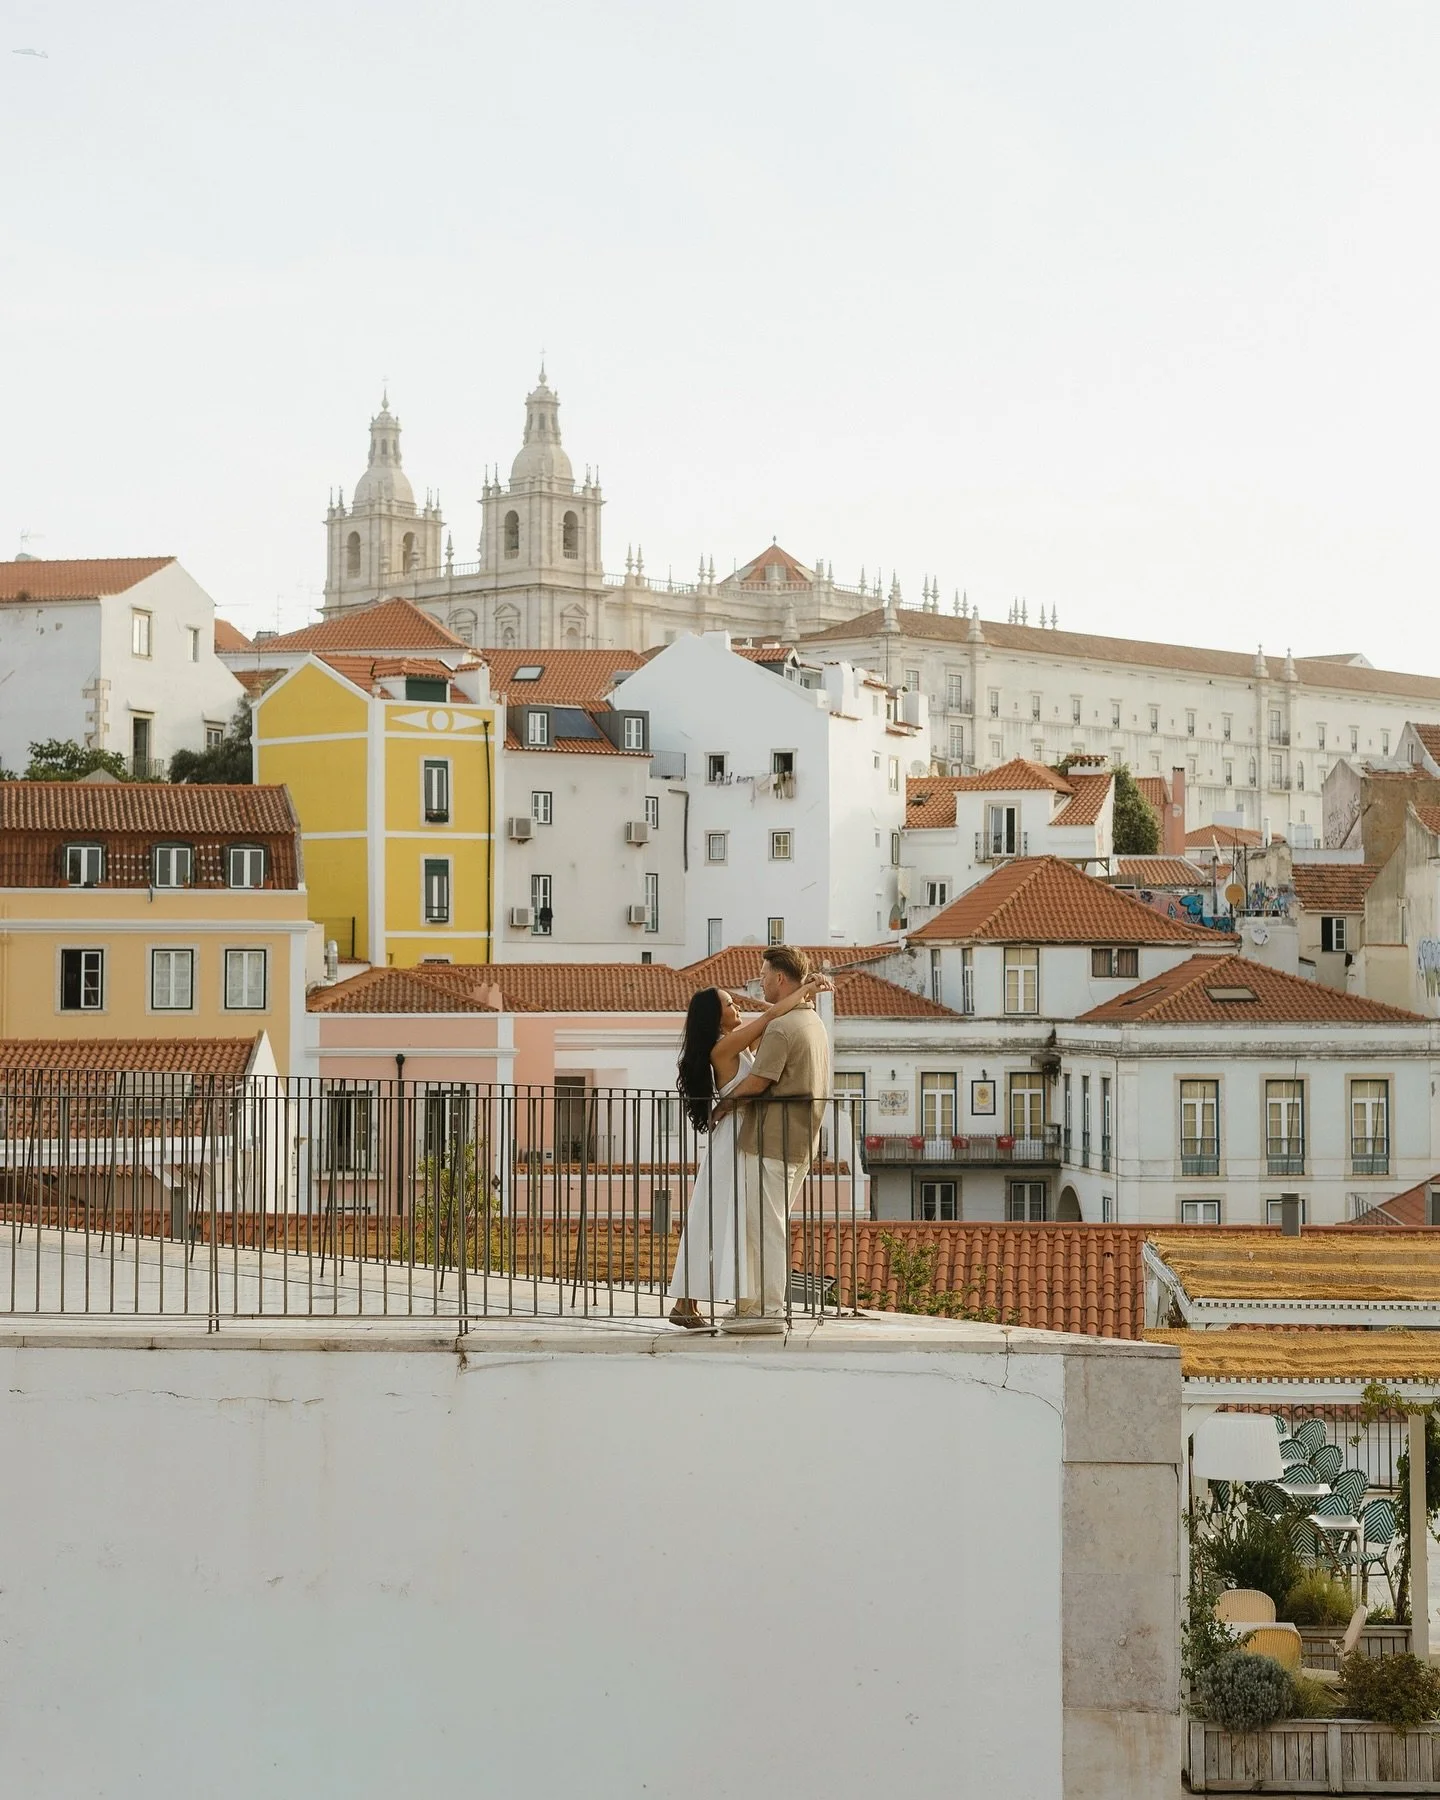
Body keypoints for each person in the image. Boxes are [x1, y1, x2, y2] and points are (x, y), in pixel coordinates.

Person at [667, 972, 832, 1328]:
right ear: (715, 1015)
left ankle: (689, 1302)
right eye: (729, 1004)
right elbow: (771, 1018)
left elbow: (773, 1040)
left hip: (743, 1132)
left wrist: (802, 1000)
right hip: (734, 1138)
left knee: (719, 1217)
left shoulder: (734, 1043)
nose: (736, 1006)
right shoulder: (723, 1047)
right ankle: (686, 1302)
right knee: (714, 1216)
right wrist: (805, 989)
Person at [713, 944, 831, 1325]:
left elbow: (759, 1081)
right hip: (802, 1140)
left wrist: (724, 1105)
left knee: (764, 1227)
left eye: (763, 974)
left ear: (780, 978)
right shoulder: (813, 1023)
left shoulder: (782, 1028)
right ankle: (753, 1303)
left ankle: (767, 1308)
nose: (760, 981)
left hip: (770, 1141)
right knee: (768, 1224)